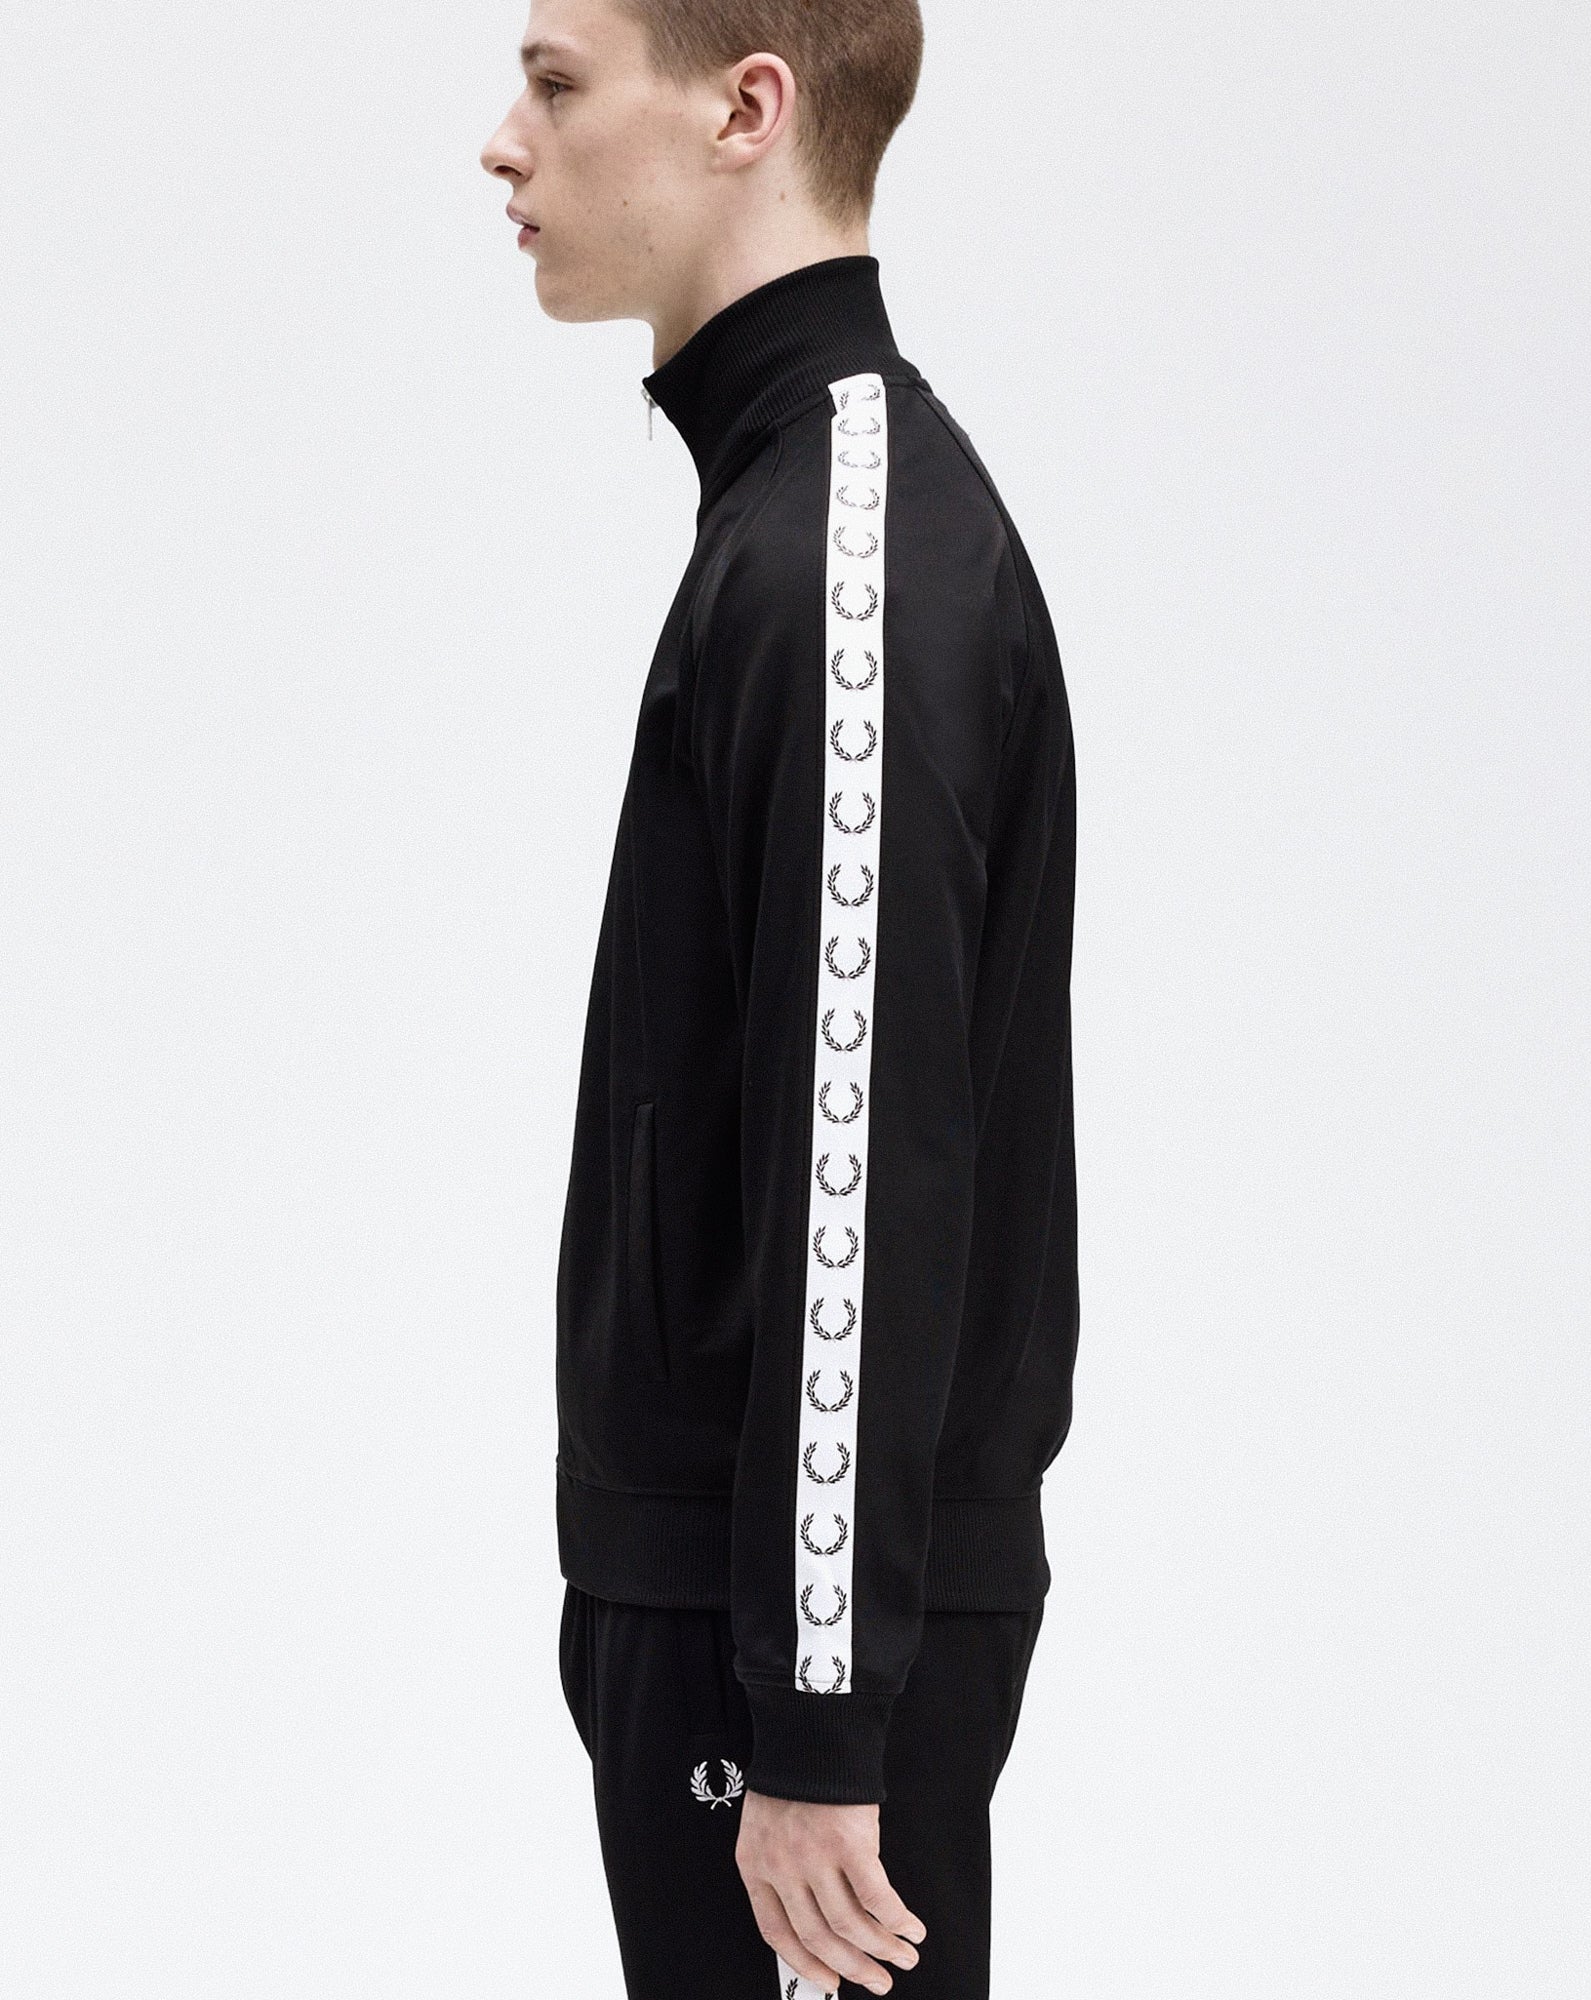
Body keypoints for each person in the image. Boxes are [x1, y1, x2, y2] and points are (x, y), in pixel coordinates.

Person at [481, 3, 1079, 1994]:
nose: (505, 143)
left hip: (791, 1657)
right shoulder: (795, 511)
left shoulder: (846, 556)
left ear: (748, 110)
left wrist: (818, 1717)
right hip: (743, 1611)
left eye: (558, 82)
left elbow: (865, 1150)